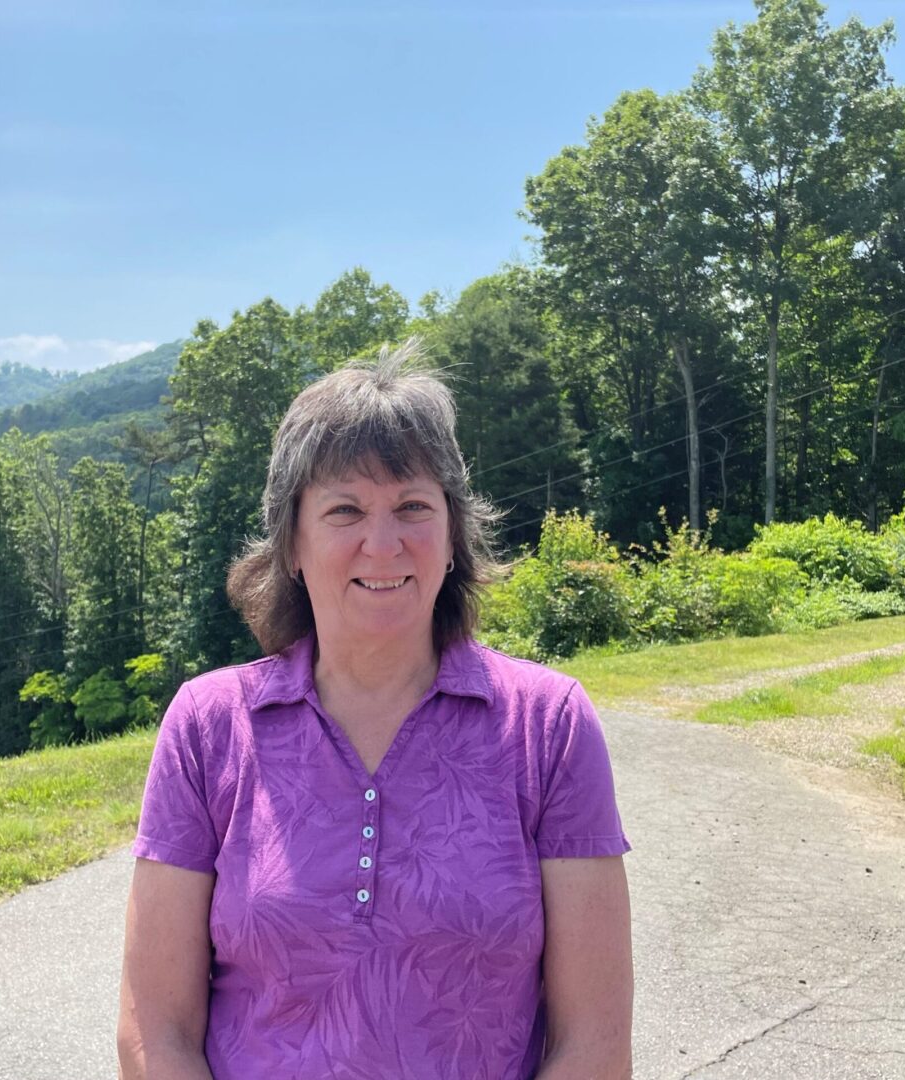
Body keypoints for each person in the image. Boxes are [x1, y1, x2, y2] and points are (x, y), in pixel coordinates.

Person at [117, 340, 633, 1080]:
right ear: (291, 542)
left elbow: (595, 1045)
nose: (383, 544)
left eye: (414, 507)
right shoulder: (208, 727)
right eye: (345, 509)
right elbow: (153, 1031)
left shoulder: (546, 726)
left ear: (453, 534)